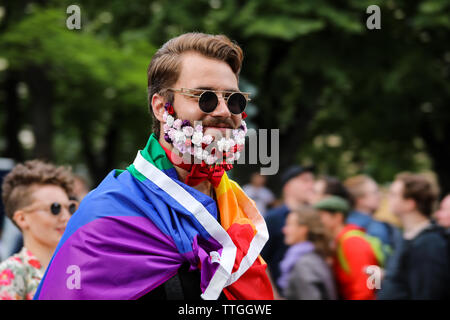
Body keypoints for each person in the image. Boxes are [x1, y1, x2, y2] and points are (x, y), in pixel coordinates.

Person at [35, 33, 273, 300]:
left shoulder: (237, 207)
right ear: (161, 108)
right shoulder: (106, 214)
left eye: (234, 100)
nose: (223, 111)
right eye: (204, 97)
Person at [0, 160, 76, 300]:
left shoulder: (77, 268)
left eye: (70, 207)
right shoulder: (12, 271)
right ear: (22, 218)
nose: (66, 217)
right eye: (55, 208)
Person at [378, 173, 450, 300]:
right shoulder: (409, 237)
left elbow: (428, 292)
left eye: (394, 194)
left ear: (410, 204)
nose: (388, 198)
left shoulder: (429, 243)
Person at [314, 196, 380, 300]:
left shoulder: (352, 243)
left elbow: (364, 291)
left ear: (337, 217)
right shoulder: (339, 242)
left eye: (321, 216)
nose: (318, 222)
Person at [261, 165, 315, 292]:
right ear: (288, 187)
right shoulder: (272, 218)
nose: (311, 185)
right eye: (305, 180)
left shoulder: (316, 216)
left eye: (312, 180)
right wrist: (274, 295)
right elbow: (260, 260)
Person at [279, 205, 337, 300]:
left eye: (289, 225)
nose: (284, 230)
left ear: (303, 230)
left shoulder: (304, 264)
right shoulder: (314, 256)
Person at [344, 175, 400, 253]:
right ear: (360, 200)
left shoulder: (344, 223)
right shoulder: (376, 228)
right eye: (375, 192)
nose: (380, 195)